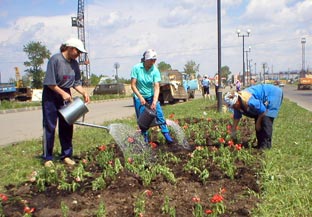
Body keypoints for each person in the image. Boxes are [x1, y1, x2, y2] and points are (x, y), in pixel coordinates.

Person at [42, 38, 90, 167]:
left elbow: (76, 83)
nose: (78, 54)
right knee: (50, 126)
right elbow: (50, 82)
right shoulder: (55, 60)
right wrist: (62, 93)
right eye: (77, 51)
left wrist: (84, 92)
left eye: (80, 53)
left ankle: (66, 155)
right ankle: (48, 157)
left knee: (67, 125)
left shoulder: (74, 64)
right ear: (69, 48)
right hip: (51, 94)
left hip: (65, 94)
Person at [130, 49, 173, 144]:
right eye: (152, 60)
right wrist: (140, 97)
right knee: (143, 119)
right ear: (146, 59)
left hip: (151, 96)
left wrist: (154, 101)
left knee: (159, 115)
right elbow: (133, 85)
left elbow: (156, 86)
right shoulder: (137, 68)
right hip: (139, 96)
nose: (154, 62)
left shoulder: (155, 70)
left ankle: (167, 137)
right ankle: (145, 140)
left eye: (155, 60)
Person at [224, 84, 283, 149]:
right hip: (261, 104)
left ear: (237, 102)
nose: (233, 108)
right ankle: (260, 145)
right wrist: (233, 130)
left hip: (272, 94)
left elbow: (263, 110)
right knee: (259, 123)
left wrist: (258, 122)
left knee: (266, 120)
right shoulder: (237, 105)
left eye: (233, 106)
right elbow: (236, 117)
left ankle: (266, 146)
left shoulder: (249, 101)